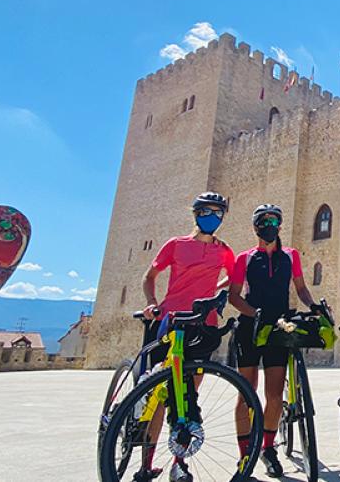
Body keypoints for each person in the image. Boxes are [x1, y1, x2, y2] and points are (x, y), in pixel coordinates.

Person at [137, 192, 237, 482]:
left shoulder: (224, 251)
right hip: (170, 320)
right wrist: (152, 303)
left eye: (218, 212)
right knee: (159, 395)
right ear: (196, 214)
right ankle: (146, 463)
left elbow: (232, 277)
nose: (213, 217)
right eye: (207, 211)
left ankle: (178, 462)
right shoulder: (176, 245)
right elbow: (149, 276)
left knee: (187, 398)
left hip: (202, 326)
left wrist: (214, 290)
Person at [229, 203, 318, 478]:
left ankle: (268, 449)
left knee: (275, 395)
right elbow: (234, 295)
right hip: (249, 329)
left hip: (279, 328)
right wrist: (252, 313)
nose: (270, 226)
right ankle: (246, 456)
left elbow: (301, 287)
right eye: (265, 221)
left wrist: (314, 307)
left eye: (275, 221)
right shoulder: (244, 258)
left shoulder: (291, 256)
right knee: (246, 393)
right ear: (256, 227)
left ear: (280, 226)